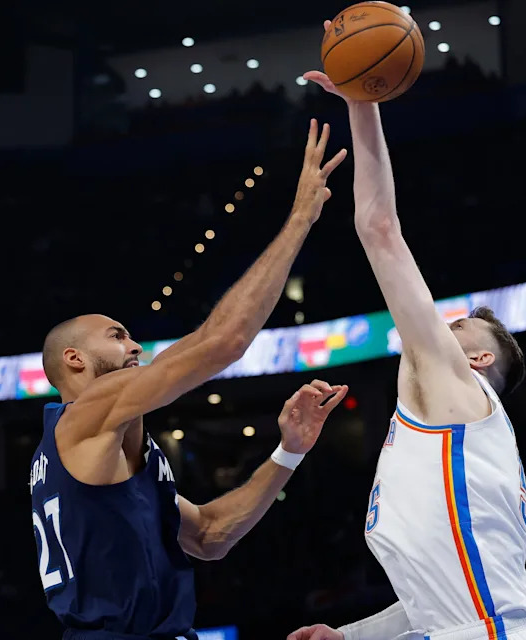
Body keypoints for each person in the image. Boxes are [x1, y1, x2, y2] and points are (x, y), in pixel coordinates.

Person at [29, 119, 349, 640]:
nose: (134, 346)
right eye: (117, 336)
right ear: (74, 360)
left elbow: (211, 536)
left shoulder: (117, 448)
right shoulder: (82, 417)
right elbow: (222, 342)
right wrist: (300, 219)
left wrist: (290, 450)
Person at [287, 29, 526, 640]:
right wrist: (347, 636)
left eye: (457, 326)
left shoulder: (459, 390)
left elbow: (378, 227)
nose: (436, 326)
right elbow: (435, 602)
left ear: (477, 360)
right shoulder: (461, 446)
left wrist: (360, 99)